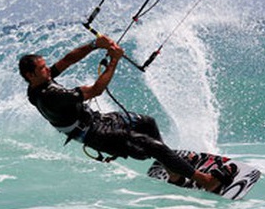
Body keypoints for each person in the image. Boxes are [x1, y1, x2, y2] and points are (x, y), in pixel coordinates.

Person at [18, 34, 234, 192]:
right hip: (95, 134)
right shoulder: (49, 94)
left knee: (146, 122)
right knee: (148, 145)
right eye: (42, 68)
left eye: (46, 66)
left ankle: (174, 171)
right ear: (30, 75)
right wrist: (114, 61)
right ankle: (205, 180)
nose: (48, 69)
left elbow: (67, 60)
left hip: (98, 120)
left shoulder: (38, 82)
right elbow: (96, 90)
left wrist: (95, 44)